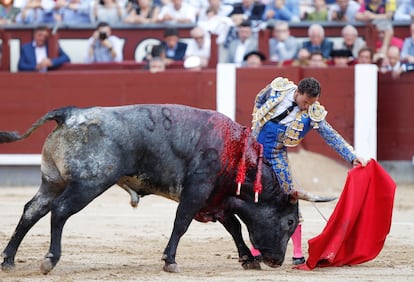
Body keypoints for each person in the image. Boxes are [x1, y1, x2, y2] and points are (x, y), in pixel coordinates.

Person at [250, 76, 367, 265]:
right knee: (249, 198)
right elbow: (259, 99)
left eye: (310, 103)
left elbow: (330, 136)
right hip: (252, 150)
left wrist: (352, 156)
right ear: (298, 92)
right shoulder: (279, 89)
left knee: (291, 200)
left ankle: (297, 252)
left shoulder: (313, 112)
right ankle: (254, 249)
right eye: (305, 102)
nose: (306, 107)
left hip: (277, 156)